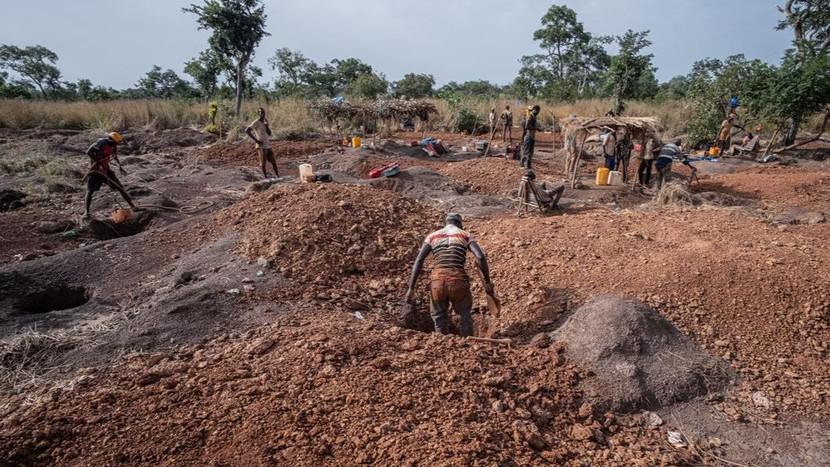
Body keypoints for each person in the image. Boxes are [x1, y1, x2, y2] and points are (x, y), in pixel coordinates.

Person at [404, 213, 493, 337]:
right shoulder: (465, 235)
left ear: (445, 223)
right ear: (460, 224)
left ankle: (442, 342)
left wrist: (411, 288)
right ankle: (469, 343)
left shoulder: (432, 236)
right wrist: (487, 282)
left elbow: (419, 260)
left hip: (437, 283)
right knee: (464, 314)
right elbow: (480, 257)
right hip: (459, 281)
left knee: (439, 315)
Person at [84, 132, 136, 218]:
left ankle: (133, 207)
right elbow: (89, 152)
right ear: (110, 140)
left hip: (106, 170)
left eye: (116, 143)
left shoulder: (113, 145)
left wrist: (120, 166)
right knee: (90, 191)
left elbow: (114, 155)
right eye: (115, 143)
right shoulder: (101, 143)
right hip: (95, 171)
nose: (116, 145)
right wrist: (100, 163)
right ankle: (87, 213)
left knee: (120, 187)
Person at [245, 107, 278, 179]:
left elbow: (269, 133)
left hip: (268, 144)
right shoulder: (256, 122)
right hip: (261, 145)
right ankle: (265, 178)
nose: (262, 114)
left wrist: (266, 125)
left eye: (263, 112)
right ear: (258, 114)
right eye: (260, 113)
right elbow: (247, 130)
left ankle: (278, 176)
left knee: (273, 161)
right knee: (263, 163)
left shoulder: (265, 121)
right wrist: (256, 140)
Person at [520, 105, 540, 169]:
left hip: (532, 136)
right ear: (535, 110)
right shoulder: (530, 117)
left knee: (530, 152)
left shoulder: (534, 117)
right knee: (526, 151)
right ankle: (521, 165)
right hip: (528, 135)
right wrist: (536, 128)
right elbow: (527, 126)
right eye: (537, 111)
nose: (538, 113)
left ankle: (528, 165)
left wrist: (536, 128)